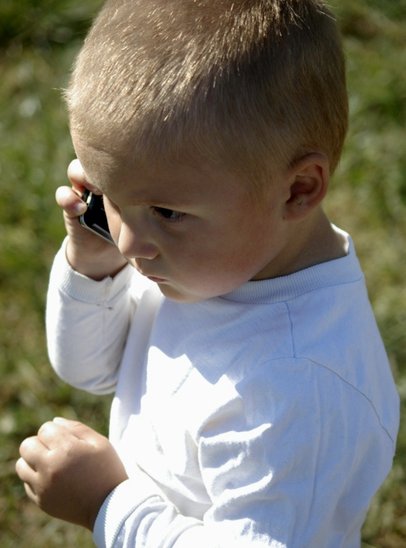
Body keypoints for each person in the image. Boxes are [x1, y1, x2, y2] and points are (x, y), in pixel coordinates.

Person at [16, 0, 399, 546]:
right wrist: (91, 267)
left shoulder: (295, 392)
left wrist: (107, 504)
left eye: (167, 211)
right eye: (109, 199)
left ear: (298, 189)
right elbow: (91, 370)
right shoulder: (200, 260)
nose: (128, 243)